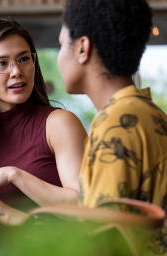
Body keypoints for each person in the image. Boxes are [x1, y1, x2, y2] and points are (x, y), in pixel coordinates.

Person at [0, 19, 87, 226]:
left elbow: (84, 208)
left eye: (24, 59)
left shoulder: (59, 124)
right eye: (2, 63)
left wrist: (14, 175)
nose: (16, 71)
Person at [58, 0, 167, 254]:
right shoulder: (150, 114)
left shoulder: (116, 124)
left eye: (62, 44)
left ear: (83, 48)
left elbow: (101, 240)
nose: (60, 55)